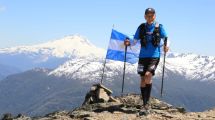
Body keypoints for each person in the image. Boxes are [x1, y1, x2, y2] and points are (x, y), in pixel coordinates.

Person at [124, 8, 169, 112]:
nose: (150, 17)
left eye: (152, 15)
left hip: (154, 56)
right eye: (148, 15)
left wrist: (167, 46)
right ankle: (144, 104)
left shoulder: (159, 27)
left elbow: (166, 38)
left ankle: (147, 104)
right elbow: (134, 41)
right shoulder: (141, 27)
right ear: (145, 16)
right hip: (142, 57)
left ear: (155, 16)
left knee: (148, 75)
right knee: (142, 79)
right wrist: (128, 43)